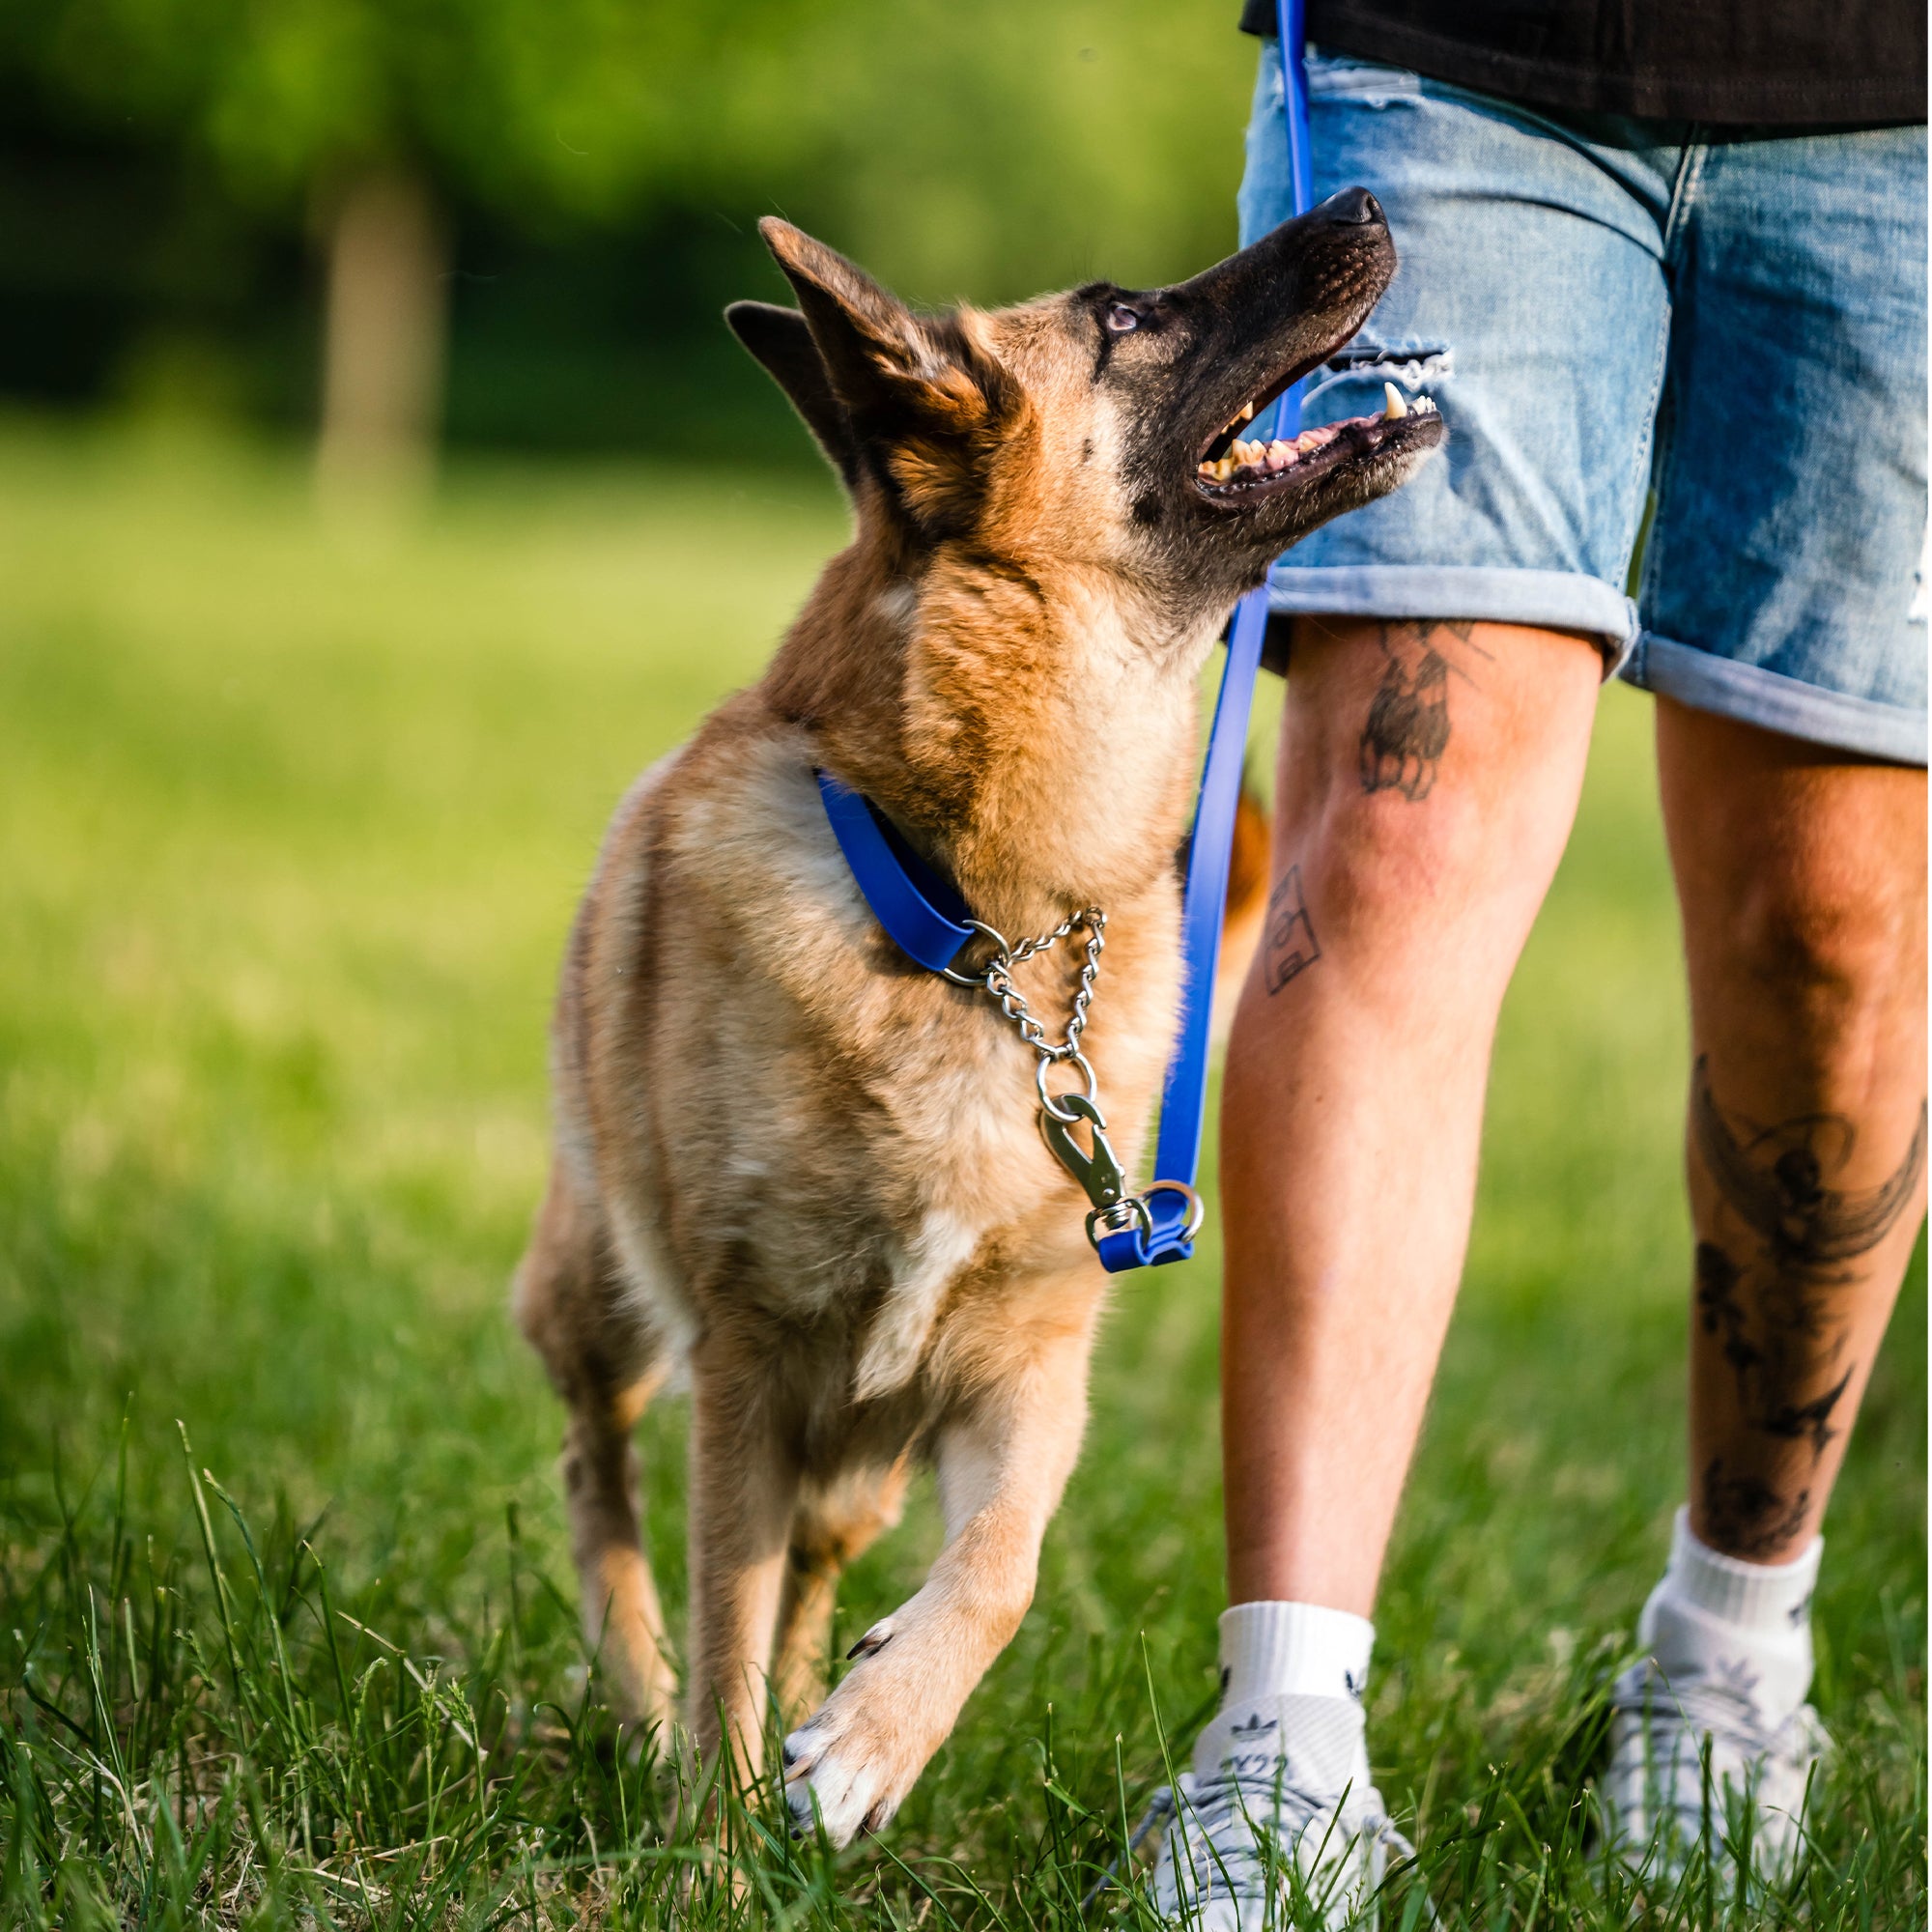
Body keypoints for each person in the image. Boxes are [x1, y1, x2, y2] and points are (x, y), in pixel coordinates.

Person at [1152, 2, 1928, 1921]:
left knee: (1831, 923)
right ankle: (1285, 1730)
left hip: (1893, 110)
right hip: (1458, 51)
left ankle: (1731, 1651)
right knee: (1395, 829)